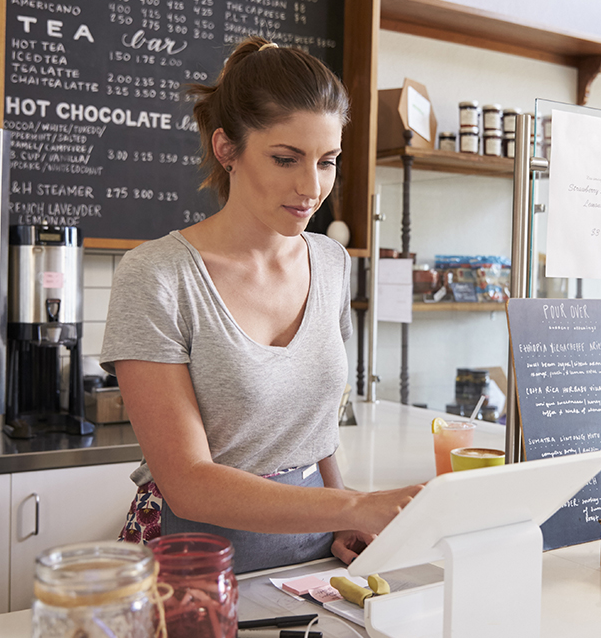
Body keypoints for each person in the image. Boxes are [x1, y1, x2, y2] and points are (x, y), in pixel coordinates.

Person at [100, 37, 422, 573]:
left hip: (311, 561)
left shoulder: (332, 263)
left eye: (327, 161)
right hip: (192, 564)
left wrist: (346, 519)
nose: (311, 187)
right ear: (227, 149)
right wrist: (357, 505)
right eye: (285, 158)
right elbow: (188, 485)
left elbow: (316, 430)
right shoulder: (157, 275)